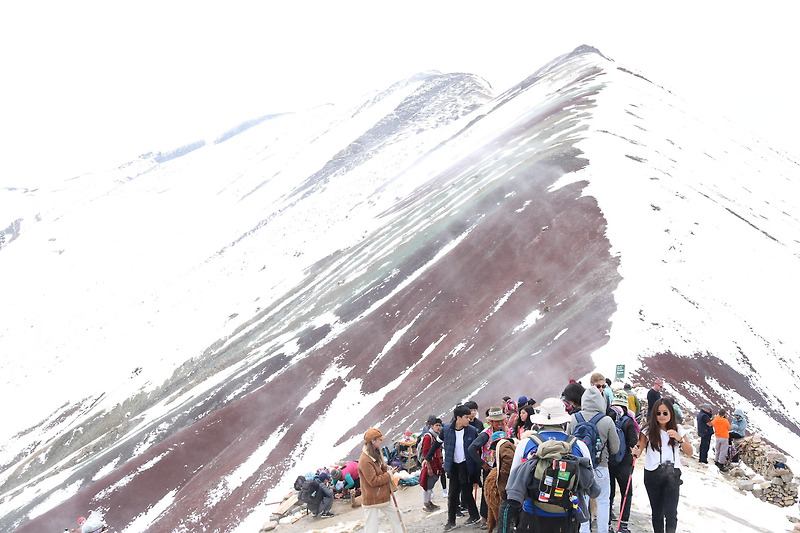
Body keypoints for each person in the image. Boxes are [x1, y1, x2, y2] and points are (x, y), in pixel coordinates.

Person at [500, 397, 597, 533]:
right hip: (566, 518)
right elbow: (589, 481)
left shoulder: (526, 444)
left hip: (531, 515)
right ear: (563, 421)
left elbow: (513, 480)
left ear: (540, 422)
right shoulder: (579, 446)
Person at [633, 397, 693, 533]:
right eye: (658, 413)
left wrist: (679, 439)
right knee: (657, 512)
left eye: (665, 413)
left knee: (671, 513)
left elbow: (689, 452)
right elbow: (639, 448)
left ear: (671, 413)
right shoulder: (648, 430)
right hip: (653, 474)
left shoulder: (678, 429)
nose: (661, 416)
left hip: (672, 474)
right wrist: (636, 451)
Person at [567, 384, 619, 533]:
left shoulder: (574, 418)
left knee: (582, 501)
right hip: (600, 466)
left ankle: (584, 530)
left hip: (579, 467)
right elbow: (615, 448)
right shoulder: (607, 420)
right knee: (603, 501)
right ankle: (602, 530)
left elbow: (567, 443)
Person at [424, 404, 481, 531]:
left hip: (467, 466)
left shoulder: (472, 430)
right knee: (452, 494)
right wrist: (427, 458)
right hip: (454, 466)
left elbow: (479, 448)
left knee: (466, 492)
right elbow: (437, 444)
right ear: (458, 417)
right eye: (466, 417)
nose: (469, 419)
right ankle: (451, 521)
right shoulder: (447, 430)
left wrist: (479, 464)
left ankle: (475, 515)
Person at [358, 428, 404, 533]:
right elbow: (373, 481)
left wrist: (385, 468)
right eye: (379, 439)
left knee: (397, 516)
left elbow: (378, 470)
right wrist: (389, 474)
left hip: (383, 494)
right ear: (373, 441)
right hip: (371, 498)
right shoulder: (364, 460)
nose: (381, 441)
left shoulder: (376, 453)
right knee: (372, 527)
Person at [469, 406, 507, 529]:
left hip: (503, 468)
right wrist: (482, 464)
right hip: (490, 469)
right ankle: (484, 518)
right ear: (491, 422)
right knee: (488, 493)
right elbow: (472, 448)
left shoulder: (506, 432)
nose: (499, 423)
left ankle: (500, 517)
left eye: (501, 420)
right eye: (496, 421)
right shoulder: (485, 435)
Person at [609, 392, 638, 533]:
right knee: (626, 494)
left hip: (608, 462)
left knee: (609, 493)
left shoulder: (608, 418)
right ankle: (623, 524)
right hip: (624, 463)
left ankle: (607, 522)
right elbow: (633, 442)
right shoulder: (628, 421)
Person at [420, 418, 443, 512]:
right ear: (432, 426)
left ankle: (429, 502)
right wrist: (428, 467)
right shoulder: (428, 437)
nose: (438, 428)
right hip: (429, 463)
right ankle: (425, 504)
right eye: (436, 425)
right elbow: (426, 453)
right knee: (426, 484)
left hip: (435, 462)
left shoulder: (436, 436)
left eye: (439, 425)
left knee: (431, 484)